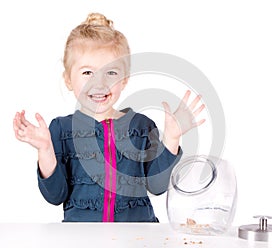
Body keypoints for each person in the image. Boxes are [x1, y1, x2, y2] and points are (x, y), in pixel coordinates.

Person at [13, 13, 205, 222]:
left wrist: (172, 138)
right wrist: (45, 150)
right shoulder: (61, 129)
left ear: (124, 79)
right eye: (87, 72)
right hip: (81, 239)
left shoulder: (141, 126)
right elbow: (55, 195)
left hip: (137, 237)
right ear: (68, 79)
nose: (99, 83)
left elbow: (157, 187)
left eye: (111, 73)